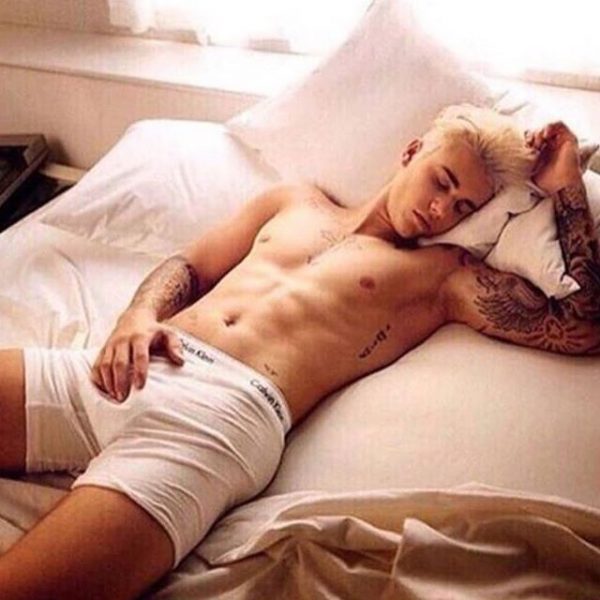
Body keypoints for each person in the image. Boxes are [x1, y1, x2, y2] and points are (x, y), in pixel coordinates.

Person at [0, 104, 598, 600]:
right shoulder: (295, 202)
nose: (442, 210)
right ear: (413, 151)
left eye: (464, 206)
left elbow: (581, 326)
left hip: (216, 422)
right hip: (132, 363)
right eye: (442, 182)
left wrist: (567, 186)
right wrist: (137, 316)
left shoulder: (441, 275)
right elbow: (192, 265)